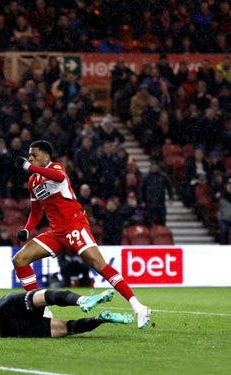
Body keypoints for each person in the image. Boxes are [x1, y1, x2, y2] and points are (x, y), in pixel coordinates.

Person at [13, 140, 152, 329]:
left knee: (99, 265)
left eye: (34, 155)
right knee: (20, 259)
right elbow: (36, 211)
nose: (30, 158)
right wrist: (28, 229)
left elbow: (60, 178)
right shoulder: (33, 181)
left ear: (46, 157)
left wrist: (29, 167)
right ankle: (43, 310)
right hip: (57, 233)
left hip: (75, 227)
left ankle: (139, 307)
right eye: (28, 156)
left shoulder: (55, 167)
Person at [0, 272, 133, 338]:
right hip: (2, 306)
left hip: (5, 329)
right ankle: (82, 300)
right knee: (45, 296)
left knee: (67, 328)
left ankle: (100, 319)